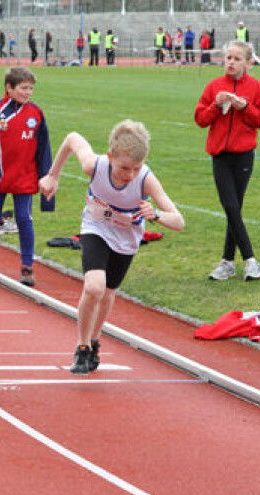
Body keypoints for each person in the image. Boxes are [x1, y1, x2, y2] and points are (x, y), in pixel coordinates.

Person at [39, 121, 185, 375]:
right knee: (93, 286)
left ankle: (95, 341)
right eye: (124, 168)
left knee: (107, 294)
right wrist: (53, 175)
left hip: (126, 238)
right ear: (110, 157)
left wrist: (157, 215)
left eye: (135, 169)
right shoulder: (94, 165)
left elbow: (179, 221)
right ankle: (82, 347)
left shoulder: (146, 179)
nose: (129, 175)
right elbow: (72, 137)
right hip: (95, 227)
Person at [0, 66, 53, 287]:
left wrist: (47, 190)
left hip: (24, 179)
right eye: (24, 88)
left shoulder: (36, 113)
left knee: (24, 219)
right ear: (9, 87)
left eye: (31, 89)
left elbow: (44, 152)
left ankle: (27, 268)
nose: (28, 93)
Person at [194, 40, 260, 281]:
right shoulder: (214, 86)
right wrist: (217, 106)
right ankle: (250, 261)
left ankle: (227, 262)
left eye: (237, 59)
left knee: (233, 208)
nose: (231, 62)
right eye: (228, 58)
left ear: (248, 63)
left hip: (244, 156)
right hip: (220, 157)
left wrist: (245, 106)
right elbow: (200, 119)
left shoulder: (257, 88)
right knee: (231, 206)